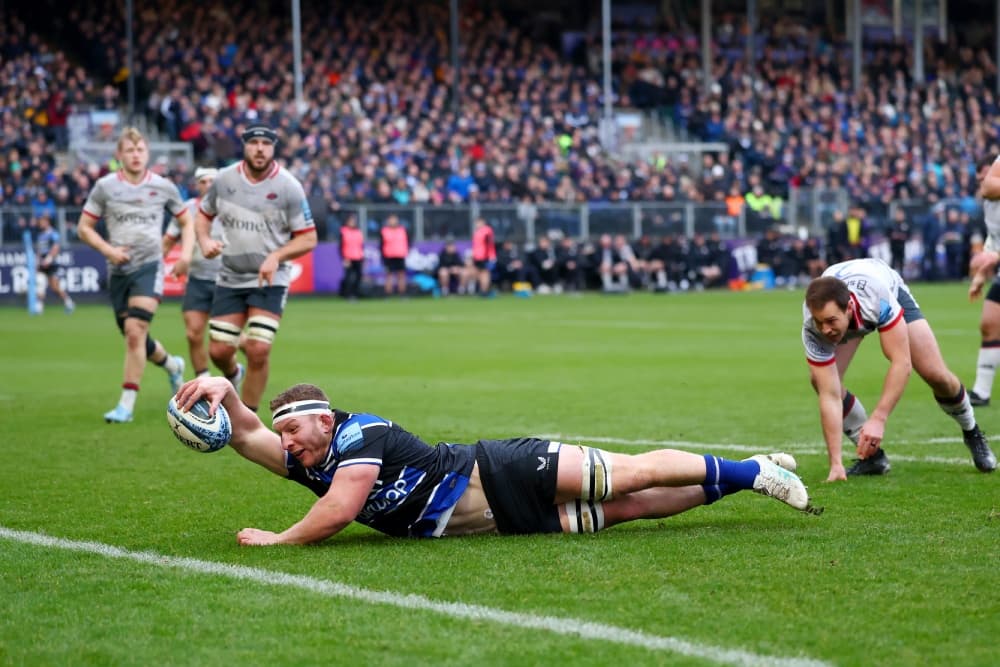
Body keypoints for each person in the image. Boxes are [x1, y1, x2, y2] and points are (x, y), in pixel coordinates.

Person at [173, 376, 819, 546]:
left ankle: (752, 472)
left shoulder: (353, 436)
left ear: (322, 416)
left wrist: (278, 539)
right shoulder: (307, 455)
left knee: (631, 473)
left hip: (497, 470)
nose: (286, 446)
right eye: (284, 438)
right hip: (496, 520)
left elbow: (341, 510)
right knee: (631, 510)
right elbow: (244, 433)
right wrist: (220, 391)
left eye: (293, 432)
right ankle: (747, 475)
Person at [802, 258, 996, 480]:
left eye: (830, 321)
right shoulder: (813, 325)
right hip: (851, 304)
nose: (825, 329)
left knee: (935, 374)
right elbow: (829, 394)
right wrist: (835, 463)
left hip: (885, 288)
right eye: (820, 322)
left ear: (849, 308)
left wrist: (879, 418)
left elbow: (901, 362)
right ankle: (873, 457)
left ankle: (971, 431)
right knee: (822, 381)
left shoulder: (877, 298)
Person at [195, 124, 318, 413]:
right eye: (254, 143)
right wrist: (203, 240)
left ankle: (246, 418)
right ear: (245, 146)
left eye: (266, 143)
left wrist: (277, 255)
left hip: (269, 280)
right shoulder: (224, 180)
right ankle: (234, 375)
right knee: (219, 351)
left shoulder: (288, 186)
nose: (260, 148)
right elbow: (203, 216)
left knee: (259, 349)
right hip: (230, 275)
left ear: (274, 148)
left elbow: (309, 237)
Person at [77, 127, 192, 423]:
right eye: (130, 150)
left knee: (135, 331)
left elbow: (186, 221)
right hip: (118, 270)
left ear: (147, 154)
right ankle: (172, 365)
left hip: (149, 266)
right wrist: (109, 251)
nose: (136, 155)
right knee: (134, 336)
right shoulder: (105, 187)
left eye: (140, 150)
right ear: (119, 155)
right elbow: (84, 228)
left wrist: (187, 254)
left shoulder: (163, 186)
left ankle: (126, 405)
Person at [162, 167, 219, 379]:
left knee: (228, 341)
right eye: (204, 181)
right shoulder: (186, 210)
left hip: (229, 281)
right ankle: (203, 383)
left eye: (213, 181)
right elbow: (168, 240)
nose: (209, 185)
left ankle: (233, 374)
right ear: (197, 185)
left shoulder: (232, 208)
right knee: (193, 333)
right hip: (197, 278)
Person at [967, 155, 1000, 407]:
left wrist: (992, 257)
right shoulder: (991, 204)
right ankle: (981, 392)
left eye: (986, 176)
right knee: (989, 323)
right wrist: (980, 275)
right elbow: (994, 239)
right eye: (979, 178)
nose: (982, 183)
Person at [34, 214, 75, 313]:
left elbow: (56, 247)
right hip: (41, 262)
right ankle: (39, 306)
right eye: (40, 222)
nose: (41, 224)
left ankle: (68, 302)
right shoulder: (40, 235)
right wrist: (37, 261)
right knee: (40, 283)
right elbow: (39, 250)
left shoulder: (53, 233)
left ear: (47, 222)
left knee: (55, 287)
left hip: (51, 262)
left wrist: (49, 259)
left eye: (43, 222)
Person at [379, 214, 408, 296]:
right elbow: (381, 245)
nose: (393, 221)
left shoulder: (402, 230)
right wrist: (383, 256)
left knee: (401, 275)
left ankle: (402, 294)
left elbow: (408, 242)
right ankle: (387, 294)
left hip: (400, 255)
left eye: (394, 219)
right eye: (391, 220)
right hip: (389, 256)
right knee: (389, 275)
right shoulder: (384, 231)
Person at [338, 214, 364, 300]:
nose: (353, 223)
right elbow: (341, 246)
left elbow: (361, 245)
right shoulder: (343, 231)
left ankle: (355, 293)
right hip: (348, 257)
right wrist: (344, 258)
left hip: (358, 257)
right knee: (348, 277)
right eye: (351, 221)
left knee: (359, 276)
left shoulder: (358, 231)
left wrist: (362, 256)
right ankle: (347, 294)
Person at [469, 217, 496, 295]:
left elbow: (489, 244)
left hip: (485, 256)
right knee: (478, 273)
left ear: (483, 222)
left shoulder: (487, 231)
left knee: (485, 273)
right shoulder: (477, 232)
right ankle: (482, 289)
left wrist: (491, 255)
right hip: (477, 256)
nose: (477, 224)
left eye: (478, 222)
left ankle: (484, 290)